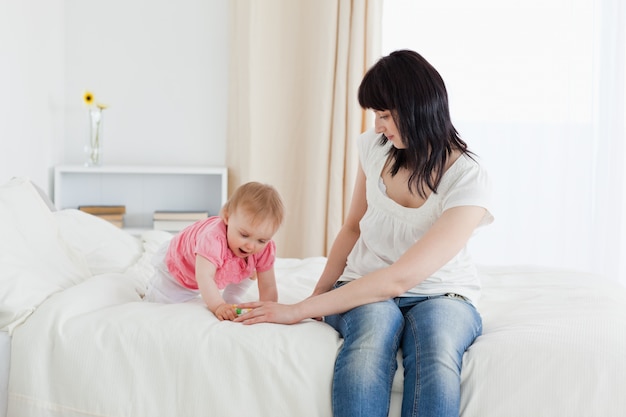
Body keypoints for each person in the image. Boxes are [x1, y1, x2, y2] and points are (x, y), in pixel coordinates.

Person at [235, 49, 494, 417]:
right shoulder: (375, 148)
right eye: (376, 115)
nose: (377, 126)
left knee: (436, 350)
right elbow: (353, 227)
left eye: (385, 115)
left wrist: (298, 310)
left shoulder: (468, 178)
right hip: (364, 280)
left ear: (417, 107)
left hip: (444, 292)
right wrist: (319, 295)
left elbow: (400, 279)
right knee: (372, 336)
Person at [144, 181, 285, 321]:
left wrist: (269, 309)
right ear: (227, 217)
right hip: (182, 267)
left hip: (220, 264)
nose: (251, 246)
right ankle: (151, 290)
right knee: (162, 300)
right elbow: (204, 277)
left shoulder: (262, 247)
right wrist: (218, 306)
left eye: (261, 240)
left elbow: (268, 285)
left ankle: (232, 296)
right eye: (244, 235)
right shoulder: (213, 239)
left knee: (252, 267)